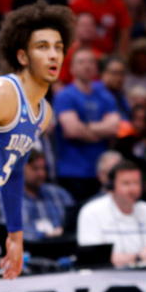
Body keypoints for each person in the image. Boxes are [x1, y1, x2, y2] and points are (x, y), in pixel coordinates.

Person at [0, 0, 72, 291]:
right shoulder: (0, 93)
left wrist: (15, 234)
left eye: (58, 46)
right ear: (23, 56)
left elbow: (13, 171)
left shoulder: (43, 112)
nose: (53, 54)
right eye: (42, 47)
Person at [77, 160, 146, 267]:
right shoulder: (91, 211)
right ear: (111, 186)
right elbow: (92, 257)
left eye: (137, 183)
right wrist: (137, 257)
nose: (133, 189)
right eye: (126, 183)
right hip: (111, 279)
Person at [53, 47, 121, 201]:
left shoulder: (105, 95)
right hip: (72, 171)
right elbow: (72, 130)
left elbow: (115, 127)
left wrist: (87, 128)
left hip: (101, 171)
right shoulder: (64, 95)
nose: (87, 66)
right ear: (72, 68)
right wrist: (101, 130)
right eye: (81, 62)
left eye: (91, 62)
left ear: (96, 68)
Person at [0, 150, 74, 241]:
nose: (41, 174)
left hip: (61, 246)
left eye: (44, 168)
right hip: (26, 248)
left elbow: (72, 224)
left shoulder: (59, 194)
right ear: (19, 169)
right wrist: (44, 235)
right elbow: (7, 230)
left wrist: (63, 232)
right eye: (34, 168)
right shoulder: (5, 197)